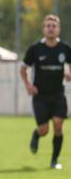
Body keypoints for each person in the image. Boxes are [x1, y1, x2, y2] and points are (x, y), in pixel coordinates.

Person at [20, 14, 71, 170]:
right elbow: (23, 69)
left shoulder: (65, 48)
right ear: (43, 29)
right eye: (48, 26)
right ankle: (37, 134)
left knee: (58, 125)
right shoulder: (35, 49)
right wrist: (28, 85)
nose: (51, 29)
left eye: (53, 26)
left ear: (58, 29)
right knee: (44, 130)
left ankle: (54, 161)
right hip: (40, 96)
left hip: (57, 94)